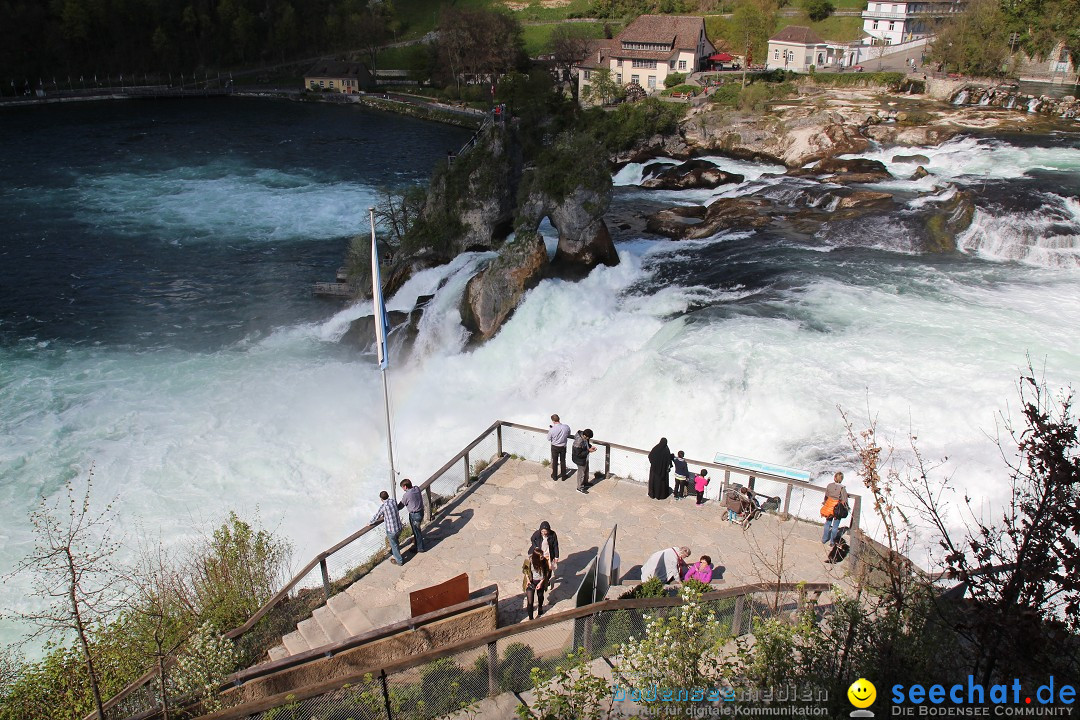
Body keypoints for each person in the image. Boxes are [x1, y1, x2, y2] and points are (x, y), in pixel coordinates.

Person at [370, 490, 404, 565]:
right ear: (388, 496)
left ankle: (399, 561)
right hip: (399, 527)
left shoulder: (383, 507)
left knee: (394, 545)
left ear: (381, 499)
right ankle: (395, 553)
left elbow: (376, 516)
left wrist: (369, 523)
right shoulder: (393, 501)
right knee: (395, 542)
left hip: (391, 530)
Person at [521, 547, 552, 619]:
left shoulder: (544, 561)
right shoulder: (529, 561)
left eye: (542, 556)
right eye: (541, 557)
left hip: (540, 581)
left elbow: (547, 572)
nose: (542, 557)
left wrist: (541, 582)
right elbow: (525, 570)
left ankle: (540, 607)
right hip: (531, 581)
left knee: (540, 596)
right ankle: (531, 618)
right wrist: (528, 580)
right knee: (530, 601)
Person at [821, 471, 849, 547]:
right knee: (835, 526)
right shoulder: (842, 489)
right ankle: (832, 542)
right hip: (837, 509)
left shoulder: (829, 485)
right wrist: (847, 508)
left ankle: (824, 539)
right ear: (842, 479)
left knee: (827, 523)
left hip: (829, 507)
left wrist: (825, 503)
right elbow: (844, 500)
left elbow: (826, 496)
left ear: (834, 478)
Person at [398, 479, 425, 554]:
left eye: (402, 487)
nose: (402, 489)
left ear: (405, 487)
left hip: (414, 515)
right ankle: (417, 544)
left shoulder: (407, 495)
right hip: (421, 512)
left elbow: (400, 506)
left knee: (417, 532)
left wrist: (394, 508)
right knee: (417, 531)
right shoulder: (417, 488)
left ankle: (420, 548)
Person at [571, 428, 596, 494]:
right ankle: (579, 488)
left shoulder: (584, 437)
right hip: (580, 460)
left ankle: (585, 483)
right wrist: (588, 450)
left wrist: (590, 447)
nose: (588, 439)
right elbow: (578, 454)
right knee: (581, 474)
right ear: (585, 436)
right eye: (588, 438)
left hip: (585, 458)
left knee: (586, 471)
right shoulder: (578, 442)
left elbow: (586, 444)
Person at [547, 414, 571, 481]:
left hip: (555, 447)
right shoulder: (566, 427)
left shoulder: (552, 429)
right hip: (563, 446)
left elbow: (548, 438)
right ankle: (564, 476)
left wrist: (550, 429)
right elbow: (568, 434)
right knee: (563, 461)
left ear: (553, 421)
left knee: (555, 461)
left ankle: (555, 476)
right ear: (559, 419)